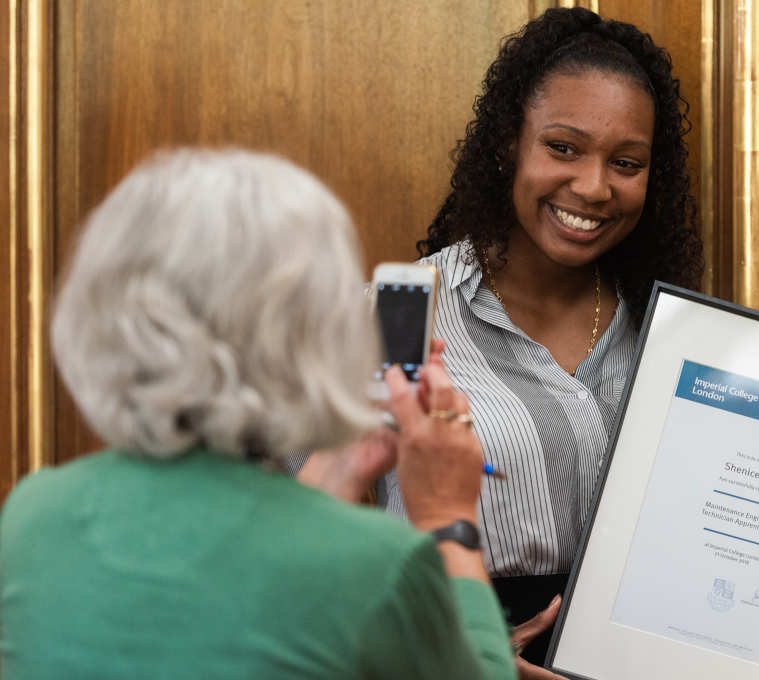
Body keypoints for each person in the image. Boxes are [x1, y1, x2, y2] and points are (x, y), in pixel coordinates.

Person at [315, 7, 759, 677]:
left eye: (625, 162)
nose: (592, 187)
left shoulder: (673, 337)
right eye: (562, 147)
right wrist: (465, 652)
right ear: (509, 143)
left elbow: (745, 499)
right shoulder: (391, 320)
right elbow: (292, 540)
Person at [0, 149, 516, 679]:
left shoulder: (34, 515)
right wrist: (448, 518)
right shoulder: (378, 565)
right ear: (314, 330)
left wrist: (332, 475)